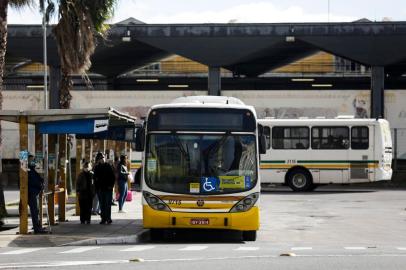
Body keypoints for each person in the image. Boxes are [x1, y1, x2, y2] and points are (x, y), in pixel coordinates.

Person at [93, 152, 115, 224]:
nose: (102, 159)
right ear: (98, 159)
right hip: (100, 189)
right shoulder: (96, 167)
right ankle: (103, 218)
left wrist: (111, 186)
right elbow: (95, 178)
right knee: (102, 205)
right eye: (100, 158)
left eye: (103, 157)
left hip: (108, 189)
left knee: (108, 204)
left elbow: (113, 177)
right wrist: (96, 188)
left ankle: (108, 218)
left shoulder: (108, 166)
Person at [27, 155, 47, 234]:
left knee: (37, 210)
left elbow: (39, 179)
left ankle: (38, 226)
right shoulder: (28, 170)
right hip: (32, 193)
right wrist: (39, 184)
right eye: (31, 160)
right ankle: (37, 228)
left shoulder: (33, 169)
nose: (33, 161)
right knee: (34, 211)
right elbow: (33, 182)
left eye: (33, 160)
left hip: (35, 192)